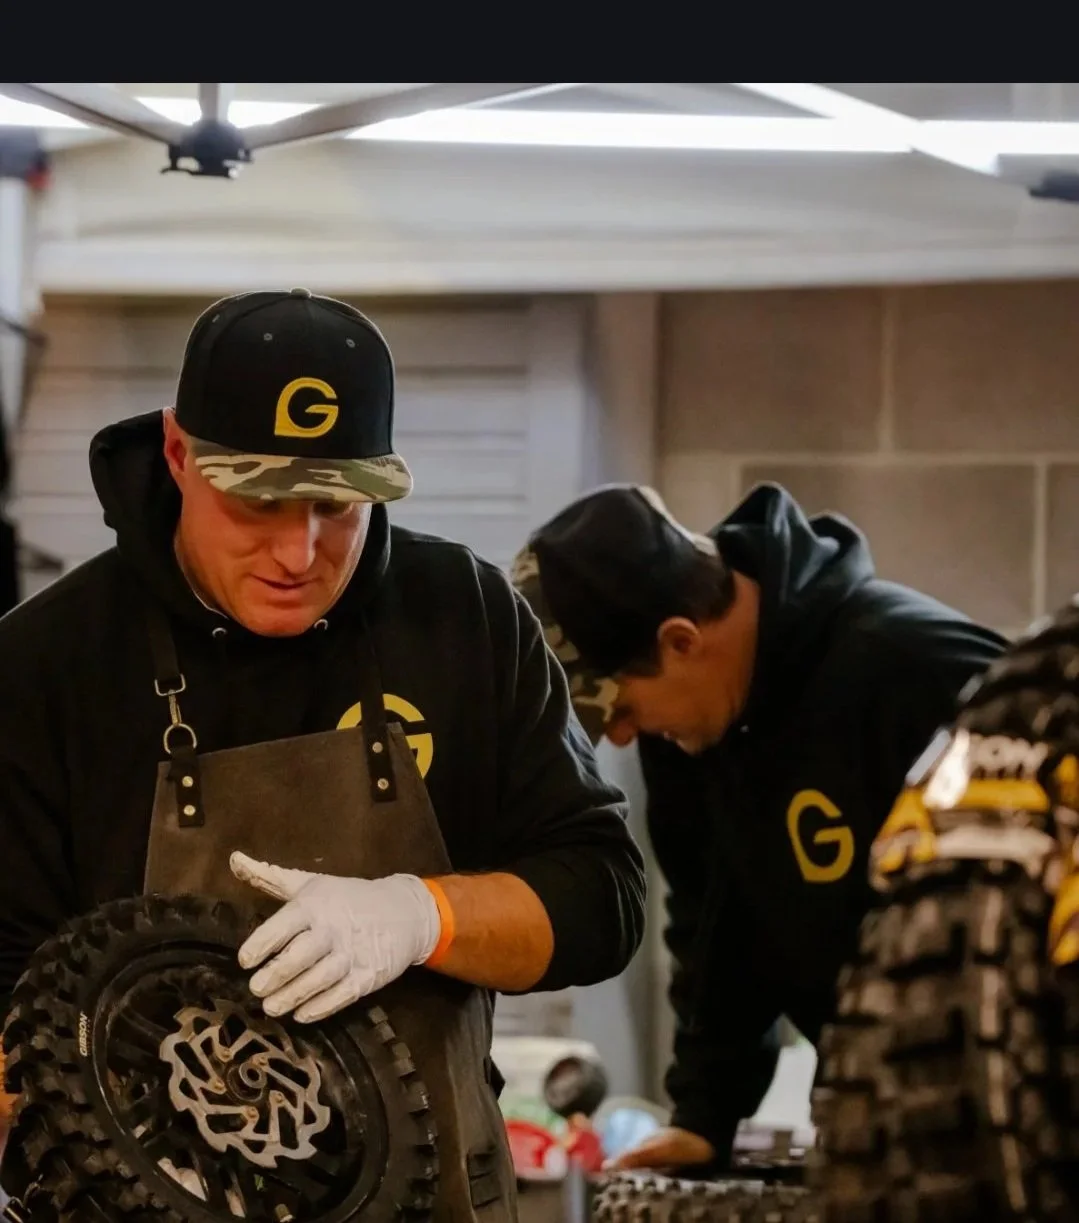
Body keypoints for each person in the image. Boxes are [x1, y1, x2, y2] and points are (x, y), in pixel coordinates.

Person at [0, 289, 647, 1220]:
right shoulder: (47, 664)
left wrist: (420, 916)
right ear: (179, 453)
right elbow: (7, 993)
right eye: (257, 501)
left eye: (336, 506)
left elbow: (602, 897)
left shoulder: (465, 619)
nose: (298, 552)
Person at [511, 480, 1007, 1175]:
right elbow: (715, 926)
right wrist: (704, 1116)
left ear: (680, 640)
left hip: (1015, 1107)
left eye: (618, 708)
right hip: (886, 1117)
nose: (620, 736)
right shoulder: (689, 733)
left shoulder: (923, 673)